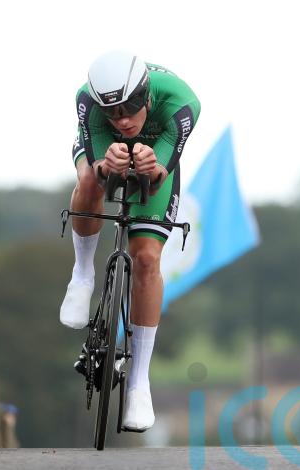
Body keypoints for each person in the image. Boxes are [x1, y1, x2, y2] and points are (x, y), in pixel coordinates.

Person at [59, 50, 200, 431]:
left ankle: (139, 384)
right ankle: (83, 274)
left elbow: (159, 176)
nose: (122, 119)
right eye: (113, 112)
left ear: (147, 96)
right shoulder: (86, 102)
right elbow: (99, 173)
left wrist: (153, 167)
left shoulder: (182, 102)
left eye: (130, 108)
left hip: (159, 152)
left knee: (147, 259)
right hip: (104, 153)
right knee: (88, 179)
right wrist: (107, 163)